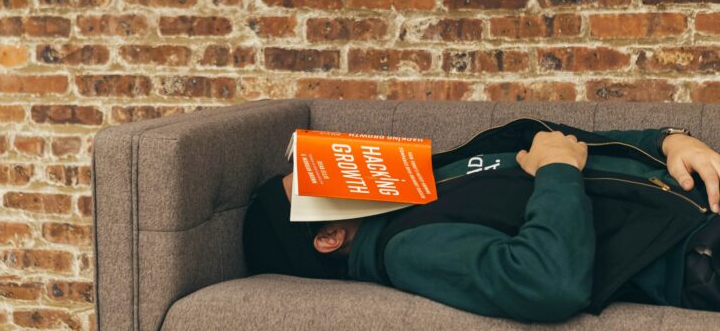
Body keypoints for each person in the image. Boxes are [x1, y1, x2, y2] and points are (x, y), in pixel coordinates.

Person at [242, 121, 720, 323]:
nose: (337, 168)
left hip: (698, 190)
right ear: (328, 237)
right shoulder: (404, 248)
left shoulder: (428, 181)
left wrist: (668, 140)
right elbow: (547, 282)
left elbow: (549, 138)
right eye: (312, 183)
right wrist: (555, 171)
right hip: (696, 249)